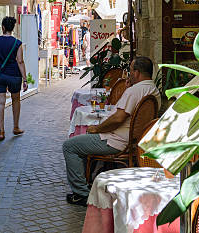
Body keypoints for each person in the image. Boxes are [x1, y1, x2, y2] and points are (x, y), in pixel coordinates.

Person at [63, 56, 159, 206]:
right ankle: (88, 181)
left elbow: (117, 119)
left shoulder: (135, 91)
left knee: (70, 146)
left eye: (131, 70)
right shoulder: (152, 89)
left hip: (116, 141)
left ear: (137, 73)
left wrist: (97, 128)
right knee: (84, 140)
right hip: (133, 139)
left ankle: (82, 193)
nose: (129, 74)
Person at [0, 16, 28, 141]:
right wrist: (25, 79)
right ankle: (15, 127)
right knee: (16, 100)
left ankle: (1, 131)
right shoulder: (17, 43)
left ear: (3, 27)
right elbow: (20, 61)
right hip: (14, 75)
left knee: (0, 103)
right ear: (12, 28)